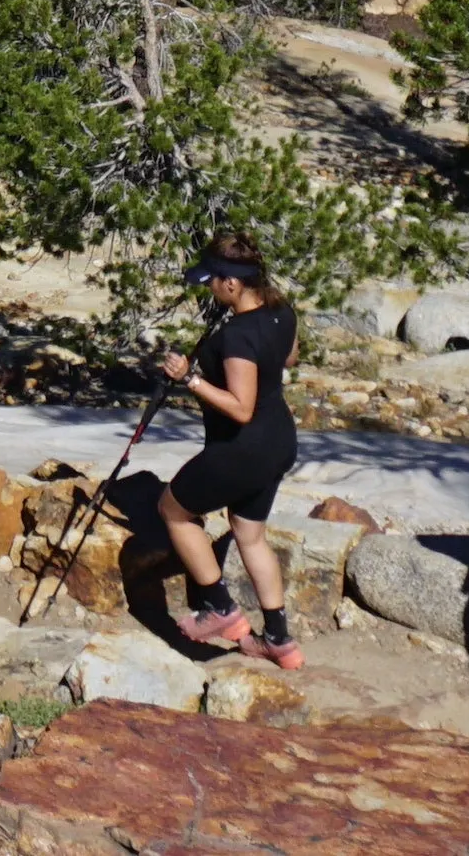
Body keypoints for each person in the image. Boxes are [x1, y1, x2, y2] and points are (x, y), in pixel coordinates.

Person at [142, 227, 301, 667]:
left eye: (212, 280)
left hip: (242, 447)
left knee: (172, 510)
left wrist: (189, 379)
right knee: (250, 535)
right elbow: (289, 357)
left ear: (231, 282)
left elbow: (241, 408)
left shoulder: (236, 336)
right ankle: (279, 640)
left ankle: (221, 610)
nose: (210, 288)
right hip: (279, 441)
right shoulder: (280, 310)